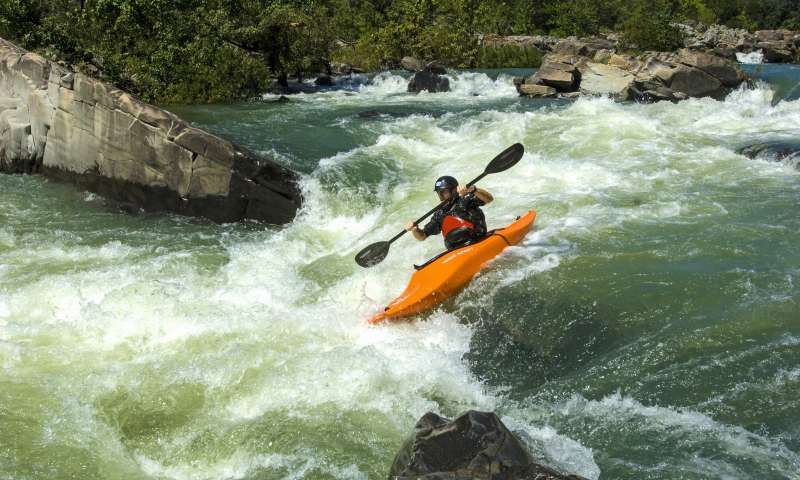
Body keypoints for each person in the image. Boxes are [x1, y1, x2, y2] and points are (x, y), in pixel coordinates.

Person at [405, 175, 494, 250]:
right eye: (440, 193)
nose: (442, 195)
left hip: (478, 241)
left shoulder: (467, 199)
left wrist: (474, 189)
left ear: (454, 189)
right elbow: (422, 236)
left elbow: (489, 199)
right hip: (455, 250)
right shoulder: (440, 213)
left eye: (444, 192)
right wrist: (415, 230)